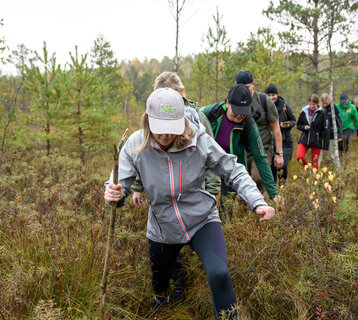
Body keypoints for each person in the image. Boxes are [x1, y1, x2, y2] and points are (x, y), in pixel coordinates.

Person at [104, 87, 275, 320]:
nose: (165, 136)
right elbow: (118, 185)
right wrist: (113, 194)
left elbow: (233, 170)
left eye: (170, 130)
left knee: (219, 274)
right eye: (159, 130)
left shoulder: (198, 139)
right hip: (162, 228)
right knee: (160, 282)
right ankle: (161, 299)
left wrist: (257, 202)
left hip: (202, 220)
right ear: (148, 121)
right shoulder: (136, 145)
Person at [130, 71, 219, 303]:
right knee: (167, 241)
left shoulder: (197, 118)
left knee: (198, 240)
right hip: (165, 194)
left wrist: (212, 191)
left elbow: (211, 157)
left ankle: (191, 280)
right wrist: (137, 186)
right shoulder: (155, 121)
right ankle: (178, 285)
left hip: (195, 194)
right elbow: (146, 152)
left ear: (182, 94)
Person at [201, 84, 279, 201]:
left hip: (230, 168)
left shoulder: (248, 125)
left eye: (243, 111)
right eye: (236, 110)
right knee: (204, 201)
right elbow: (192, 117)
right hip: (207, 163)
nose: (240, 115)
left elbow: (260, 158)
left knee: (227, 205)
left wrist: (274, 194)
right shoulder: (212, 112)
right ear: (227, 103)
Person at [235, 71, 284, 191]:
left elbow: (276, 128)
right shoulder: (233, 101)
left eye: (247, 87)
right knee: (242, 182)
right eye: (240, 87)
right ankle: (244, 208)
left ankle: (259, 206)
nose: (244, 91)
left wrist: (279, 154)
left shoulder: (264, 100)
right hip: (242, 150)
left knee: (257, 179)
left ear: (253, 84)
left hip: (263, 147)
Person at [265, 83, 296, 182]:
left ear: (277, 95)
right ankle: (275, 192)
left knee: (283, 165)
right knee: (272, 169)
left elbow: (293, 120)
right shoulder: (264, 107)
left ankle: (282, 186)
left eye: (273, 95)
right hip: (270, 144)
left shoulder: (284, 106)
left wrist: (288, 124)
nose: (271, 97)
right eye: (268, 95)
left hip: (286, 143)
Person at [295, 94, 329, 169]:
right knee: (299, 157)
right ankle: (308, 169)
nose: (311, 106)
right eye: (310, 104)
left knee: (314, 163)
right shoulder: (304, 111)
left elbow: (326, 131)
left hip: (316, 141)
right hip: (304, 139)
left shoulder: (322, 113)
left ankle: (314, 178)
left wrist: (326, 146)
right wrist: (304, 127)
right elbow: (298, 125)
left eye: (313, 104)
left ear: (317, 103)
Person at [320, 93, 343, 164]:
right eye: (323, 103)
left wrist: (340, 135)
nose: (324, 105)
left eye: (326, 103)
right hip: (322, 136)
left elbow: (339, 122)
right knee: (319, 156)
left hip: (332, 135)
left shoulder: (334, 108)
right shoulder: (320, 109)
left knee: (331, 156)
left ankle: (334, 170)